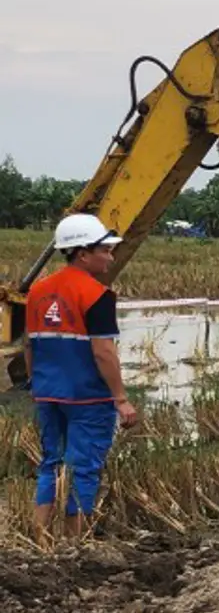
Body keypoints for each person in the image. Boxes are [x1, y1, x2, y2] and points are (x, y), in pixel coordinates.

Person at [23, 214, 138, 538]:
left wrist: (36, 384)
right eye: (105, 250)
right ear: (83, 253)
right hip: (88, 397)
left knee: (50, 464)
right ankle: (77, 544)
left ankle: (40, 537)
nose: (111, 257)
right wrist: (121, 399)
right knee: (83, 469)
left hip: (48, 394)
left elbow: (29, 345)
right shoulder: (97, 295)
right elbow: (103, 352)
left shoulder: (37, 291)